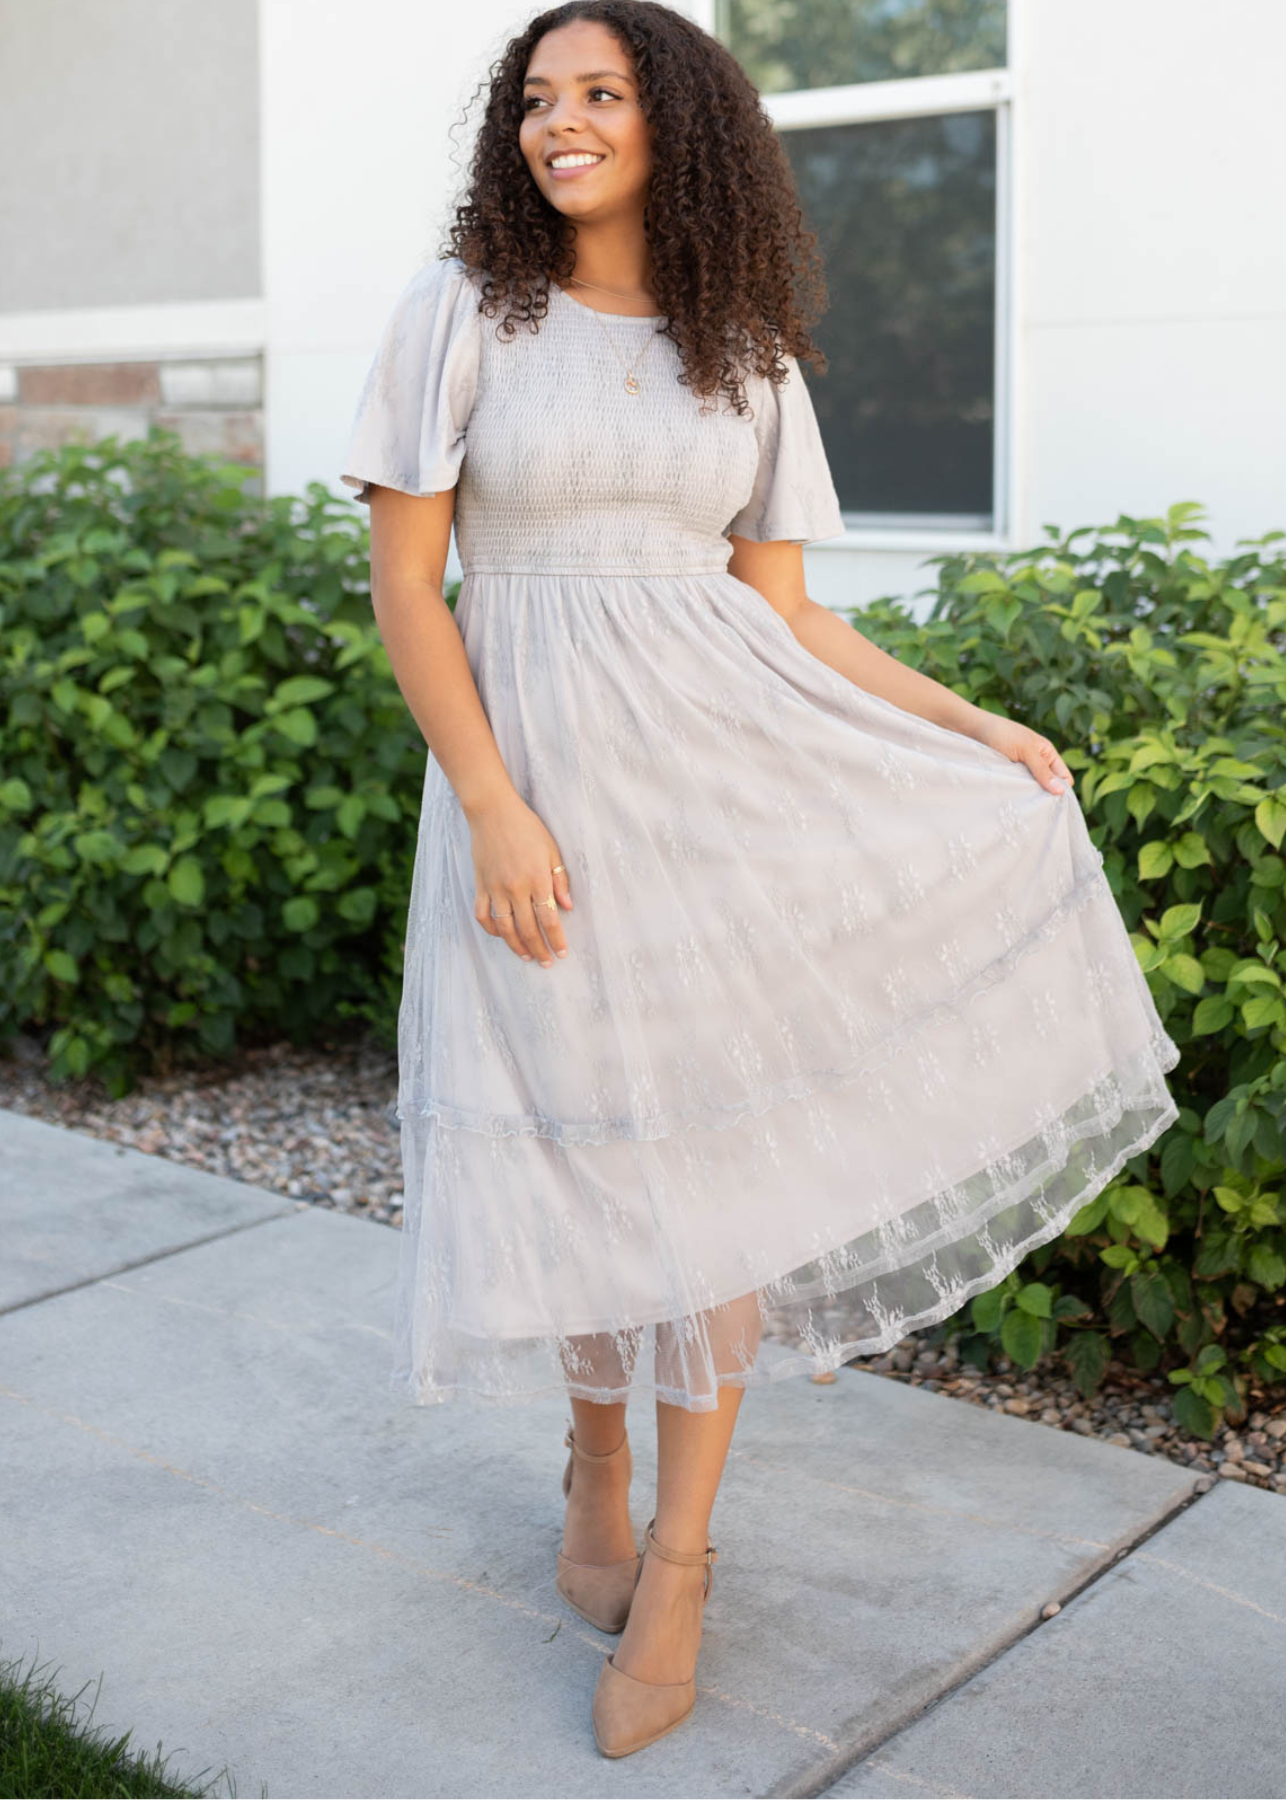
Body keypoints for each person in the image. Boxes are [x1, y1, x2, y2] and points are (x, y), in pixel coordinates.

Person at [340, 0, 1181, 1759]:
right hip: (536, 797)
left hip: (715, 793)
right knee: (577, 1150)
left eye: (600, 94)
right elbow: (413, 590)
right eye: (536, 100)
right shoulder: (463, 315)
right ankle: (590, 1452)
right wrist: (492, 802)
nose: (557, 124)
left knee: (711, 1168)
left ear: (683, 125)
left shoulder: (744, 354)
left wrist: (976, 728)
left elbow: (784, 612)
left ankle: (685, 1553)